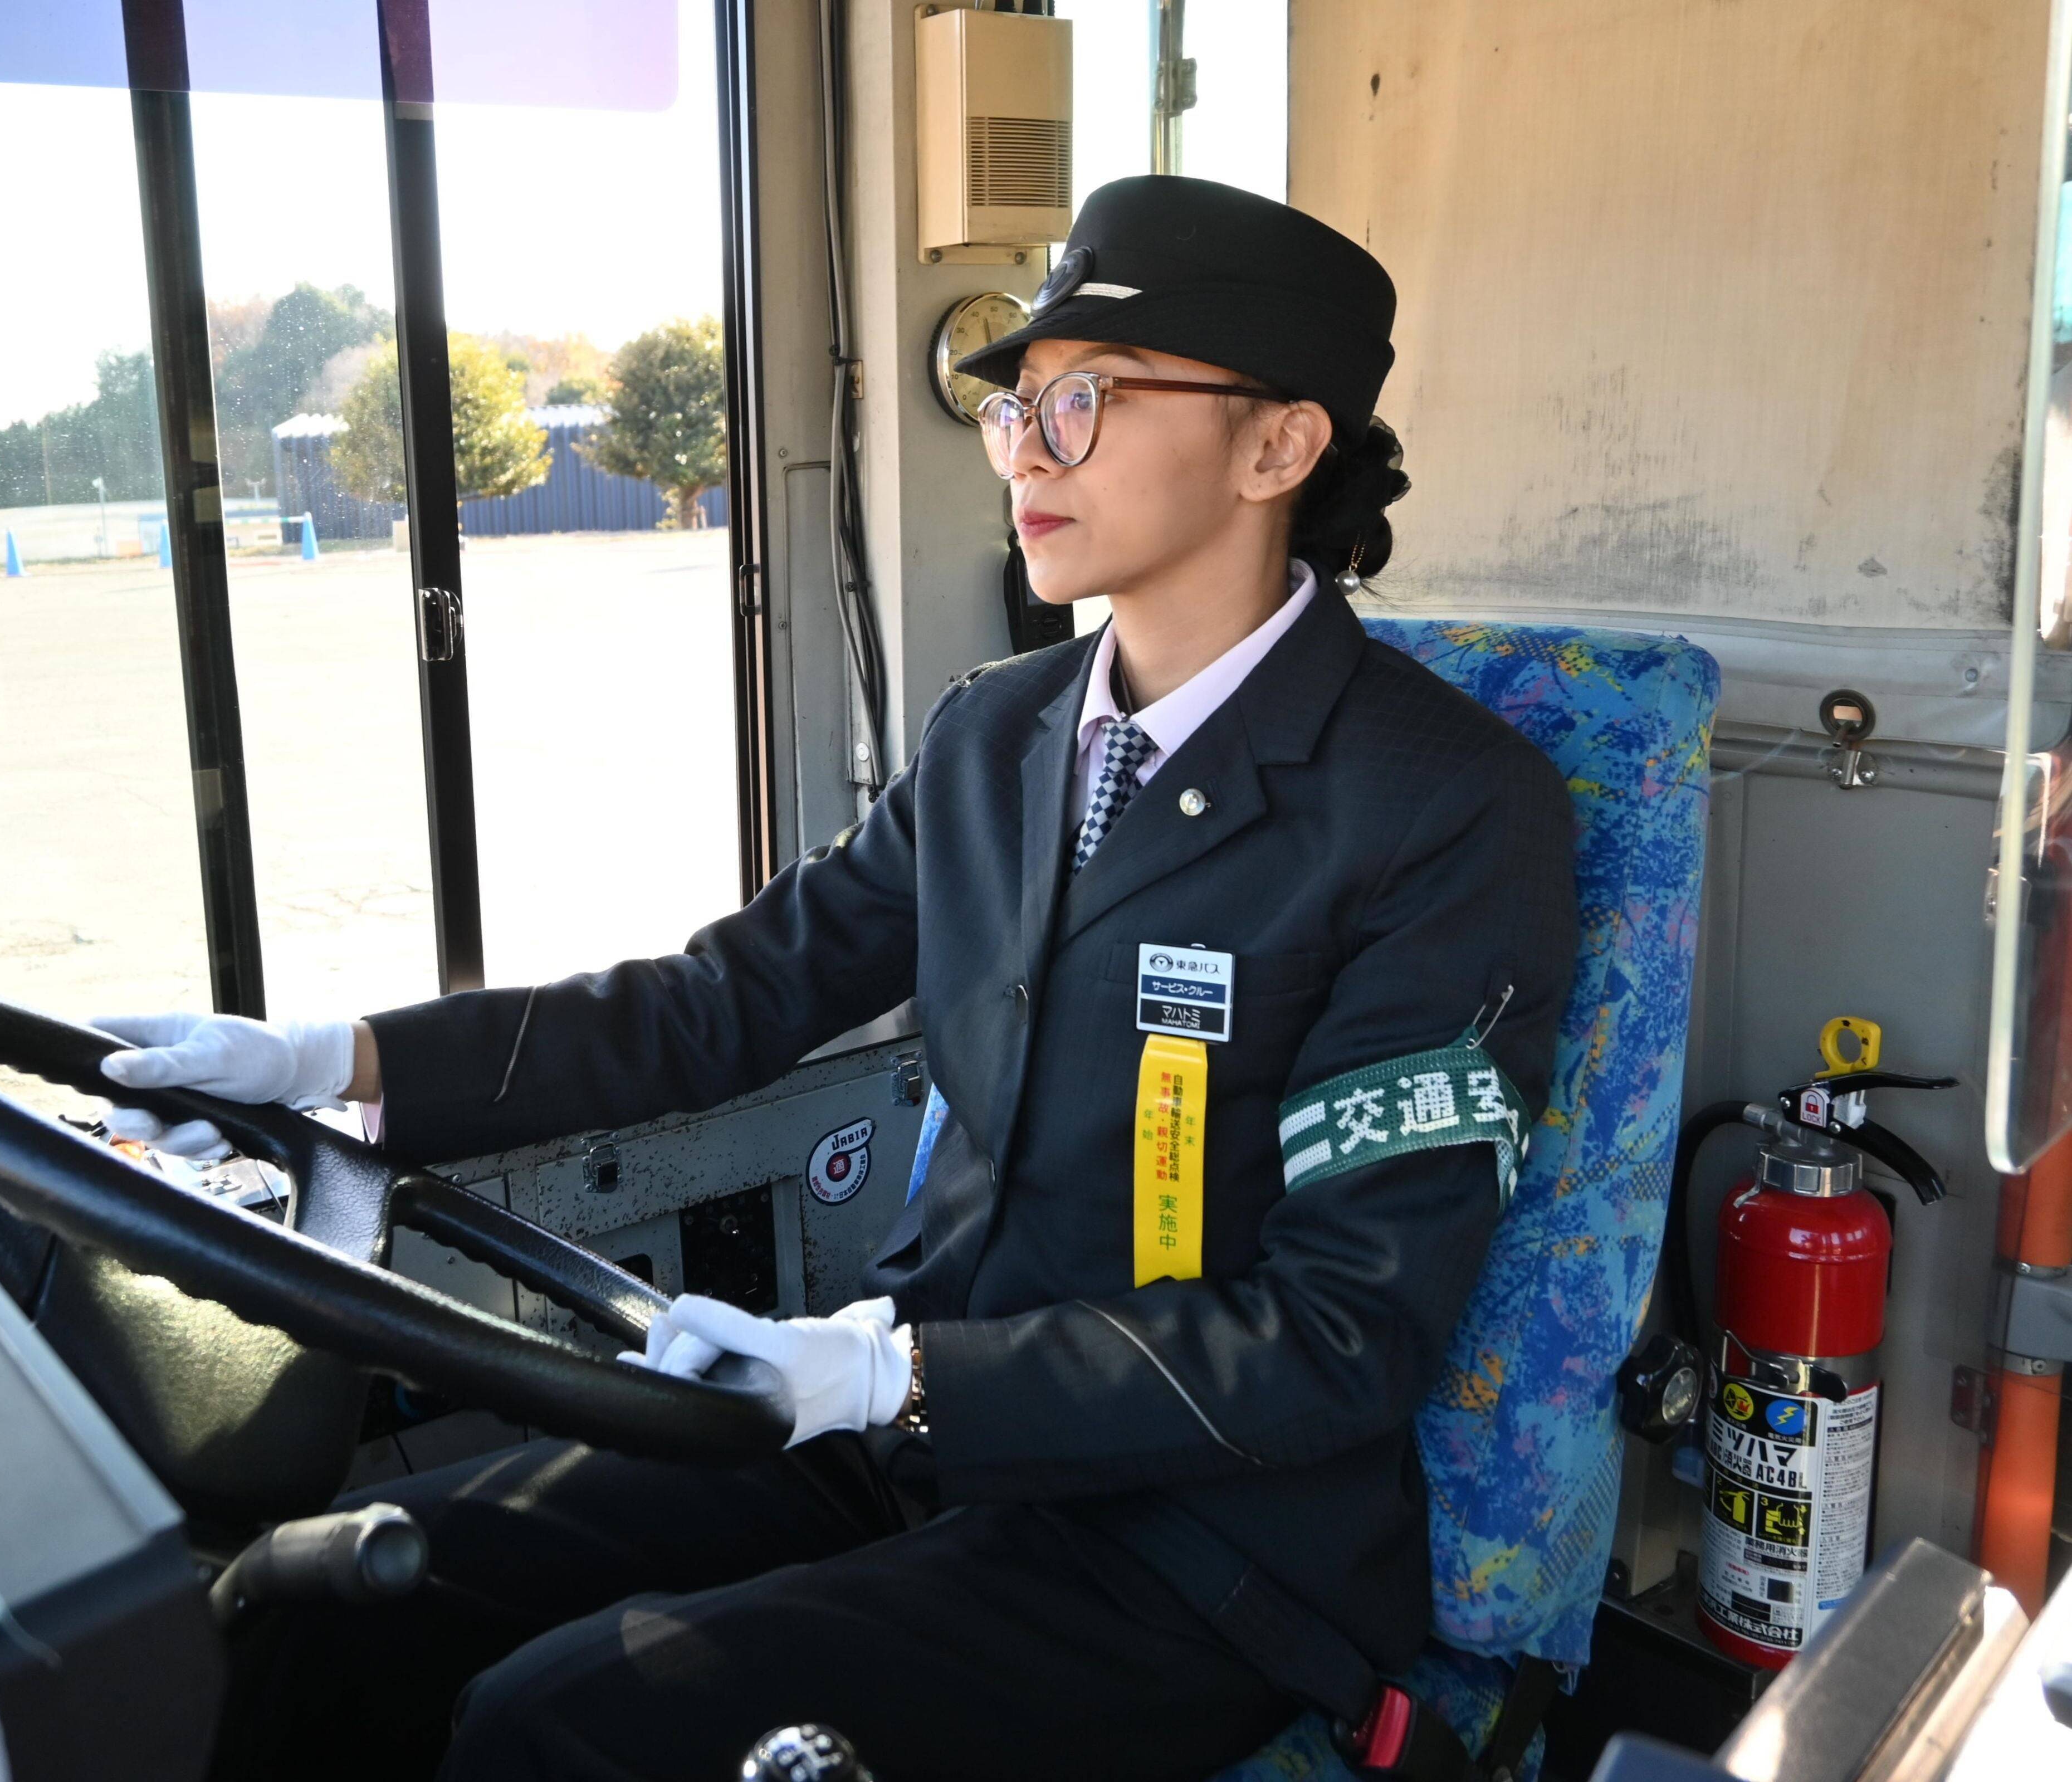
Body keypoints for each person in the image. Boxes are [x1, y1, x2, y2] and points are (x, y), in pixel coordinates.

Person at [96, 177, 1578, 1782]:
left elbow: (1342, 1335)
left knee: (564, 1725)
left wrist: (899, 1370)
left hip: (1191, 1546)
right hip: (907, 1428)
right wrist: (339, 1065)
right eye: (1018, 406)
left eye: (1087, 400)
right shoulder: (997, 735)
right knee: (353, 1577)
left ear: (1279, 449)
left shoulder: (1442, 809)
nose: (1028, 449)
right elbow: (719, 1002)